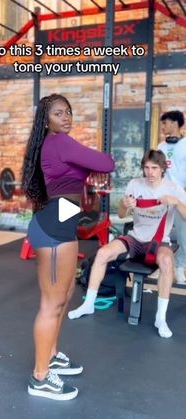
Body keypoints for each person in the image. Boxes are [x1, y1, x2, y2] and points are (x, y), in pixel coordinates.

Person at [21, 93, 115, 401]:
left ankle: (52, 355)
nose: (66, 117)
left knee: (64, 297)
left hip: (59, 225)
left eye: (68, 112)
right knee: (52, 304)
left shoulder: (55, 146)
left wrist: (87, 171)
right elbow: (107, 162)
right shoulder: (60, 142)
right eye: (59, 113)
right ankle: (40, 377)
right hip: (52, 231)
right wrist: (93, 167)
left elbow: (80, 175)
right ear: (46, 120)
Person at [68, 150, 186, 339]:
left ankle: (160, 318)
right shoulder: (135, 184)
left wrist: (176, 202)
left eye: (154, 168)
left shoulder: (173, 188)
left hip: (158, 241)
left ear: (162, 168)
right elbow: (122, 215)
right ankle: (88, 304)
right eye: (146, 168)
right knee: (103, 253)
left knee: (166, 261)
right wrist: (125, 204)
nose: (150, 172)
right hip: (136, 238)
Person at [158, 110, 186, 284]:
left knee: (184, 235)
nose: (163, 126)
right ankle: (158, 267)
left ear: (175, 123)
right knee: (160, 233)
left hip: (182, 196)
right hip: (163, 195)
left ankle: (179, 266)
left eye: (165, 123)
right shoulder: (161, 147)